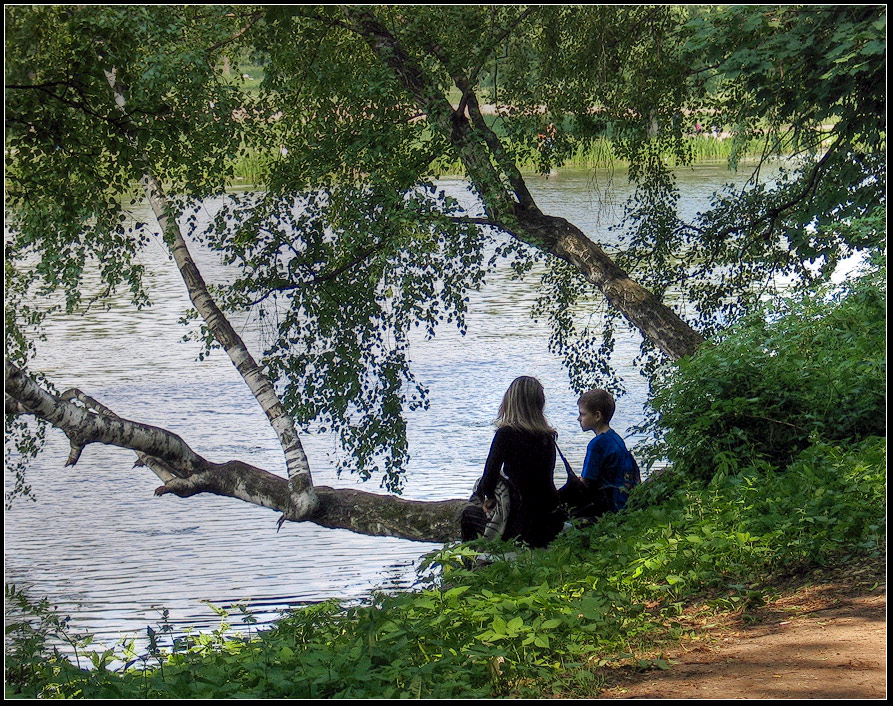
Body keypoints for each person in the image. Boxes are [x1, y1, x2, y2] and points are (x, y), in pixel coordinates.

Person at [465, 376, 564, 548]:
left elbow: (488, 480)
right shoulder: (548, 437)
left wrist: (489, 497)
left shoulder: (506, 434)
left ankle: (473, 566)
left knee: (467, 514)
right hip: (549, 516)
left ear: (510, 401)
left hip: (519, 520)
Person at [576, 389, 640, 516]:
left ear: (597, 416)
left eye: (582, 414)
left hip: (608, 506)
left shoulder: (596, 445)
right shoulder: (615, 438)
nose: (579, 418)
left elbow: (586, 482)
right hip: (622, 501)